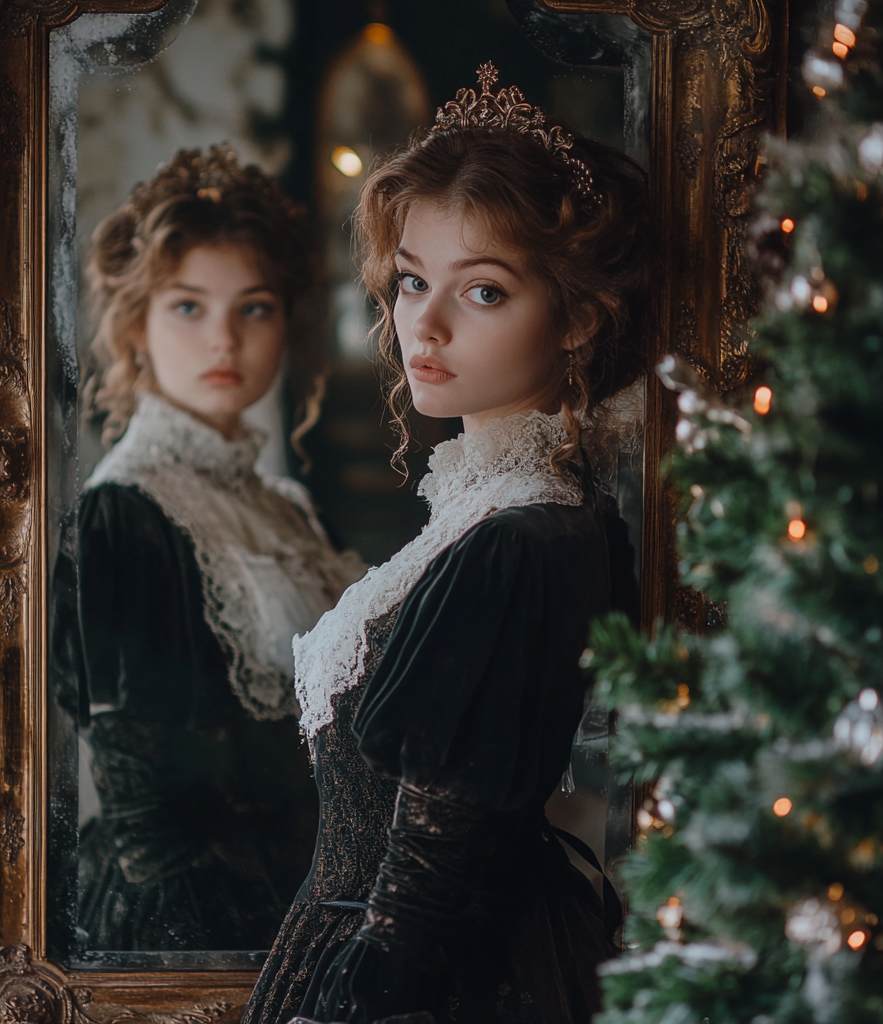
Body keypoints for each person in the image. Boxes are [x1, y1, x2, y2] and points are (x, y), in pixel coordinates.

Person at [243, 63, 651, 1023]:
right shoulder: (501, 514)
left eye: (484, 293)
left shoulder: (523, 541)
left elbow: (428, 894)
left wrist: (349, 997)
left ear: (579, 317)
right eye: (413, 280)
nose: (420, 323)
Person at [51, 146, 362, 953]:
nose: (224, 338)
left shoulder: (291, 510)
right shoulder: (123, 516)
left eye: (254, 308)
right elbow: (150, 829)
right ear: (136, 326)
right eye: (188, 307)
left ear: (287, 323)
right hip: (195, 930)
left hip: (317, 904)